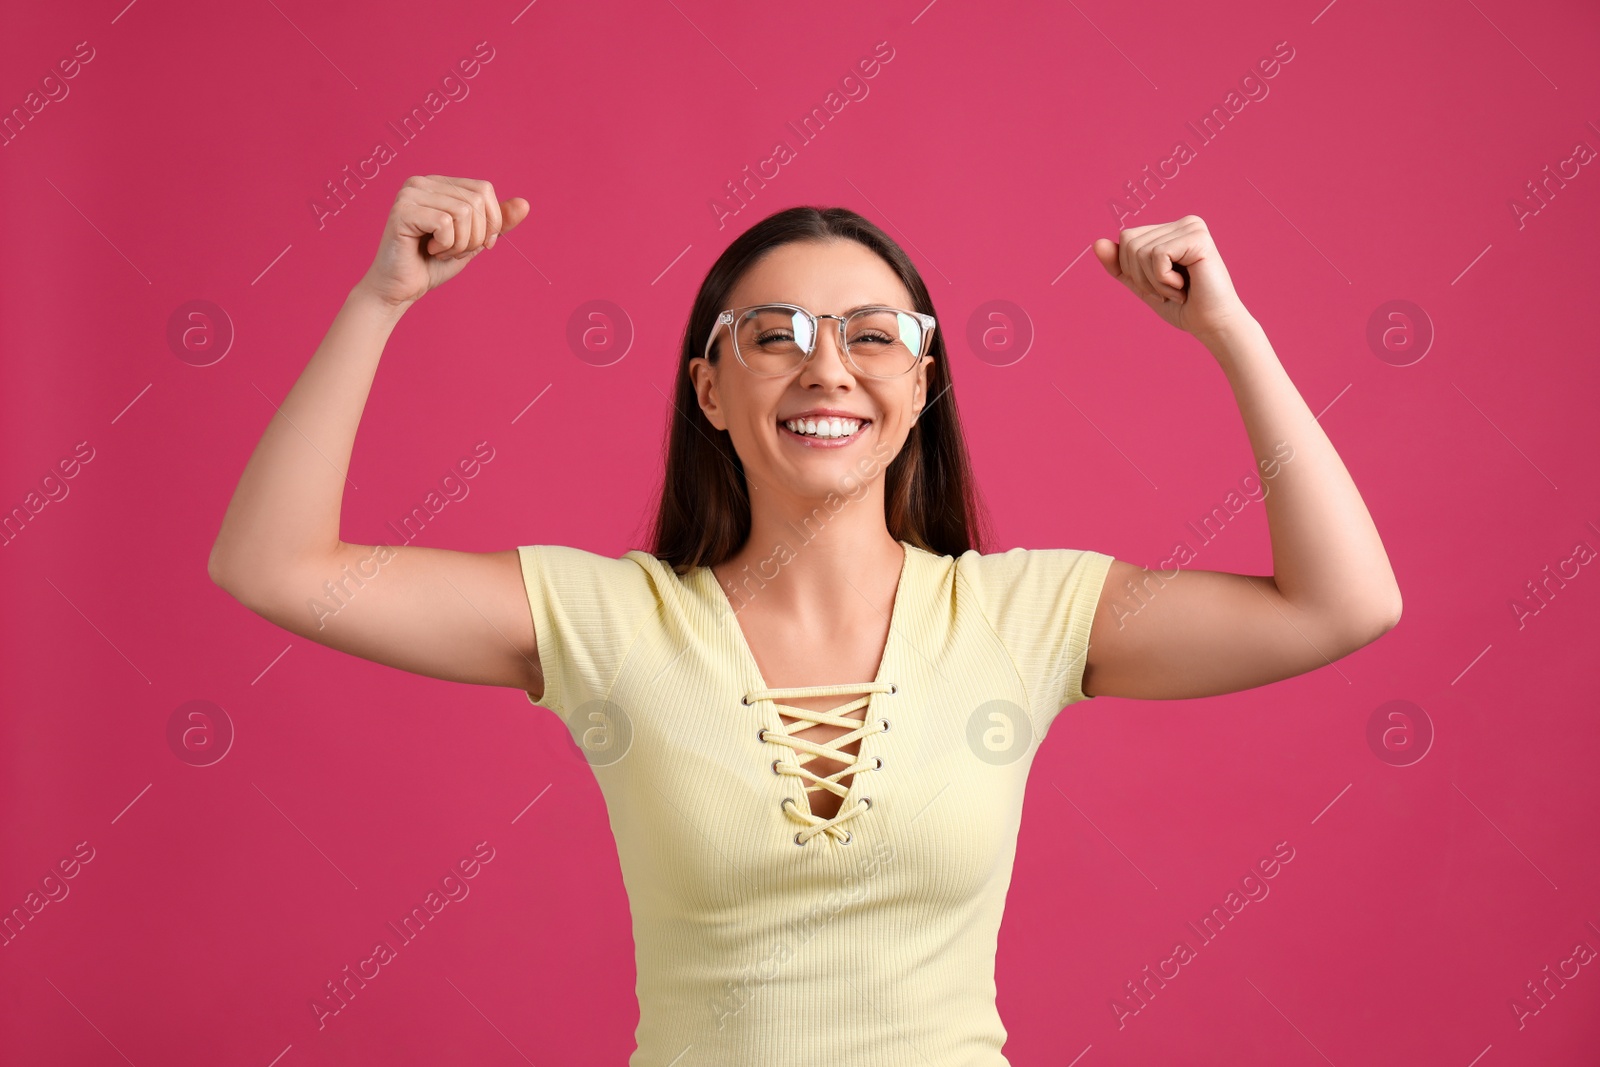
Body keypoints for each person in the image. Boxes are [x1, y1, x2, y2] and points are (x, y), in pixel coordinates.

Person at [208, 174, 1402, 1065]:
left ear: (922, 387)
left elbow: (1343, 604)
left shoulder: (1027, 613)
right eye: (771, 337)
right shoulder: (604, 619)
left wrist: (1229, 335)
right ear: (709, 391)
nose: (825, 368)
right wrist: (381, 299)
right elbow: (274, 563)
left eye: (872, 335)